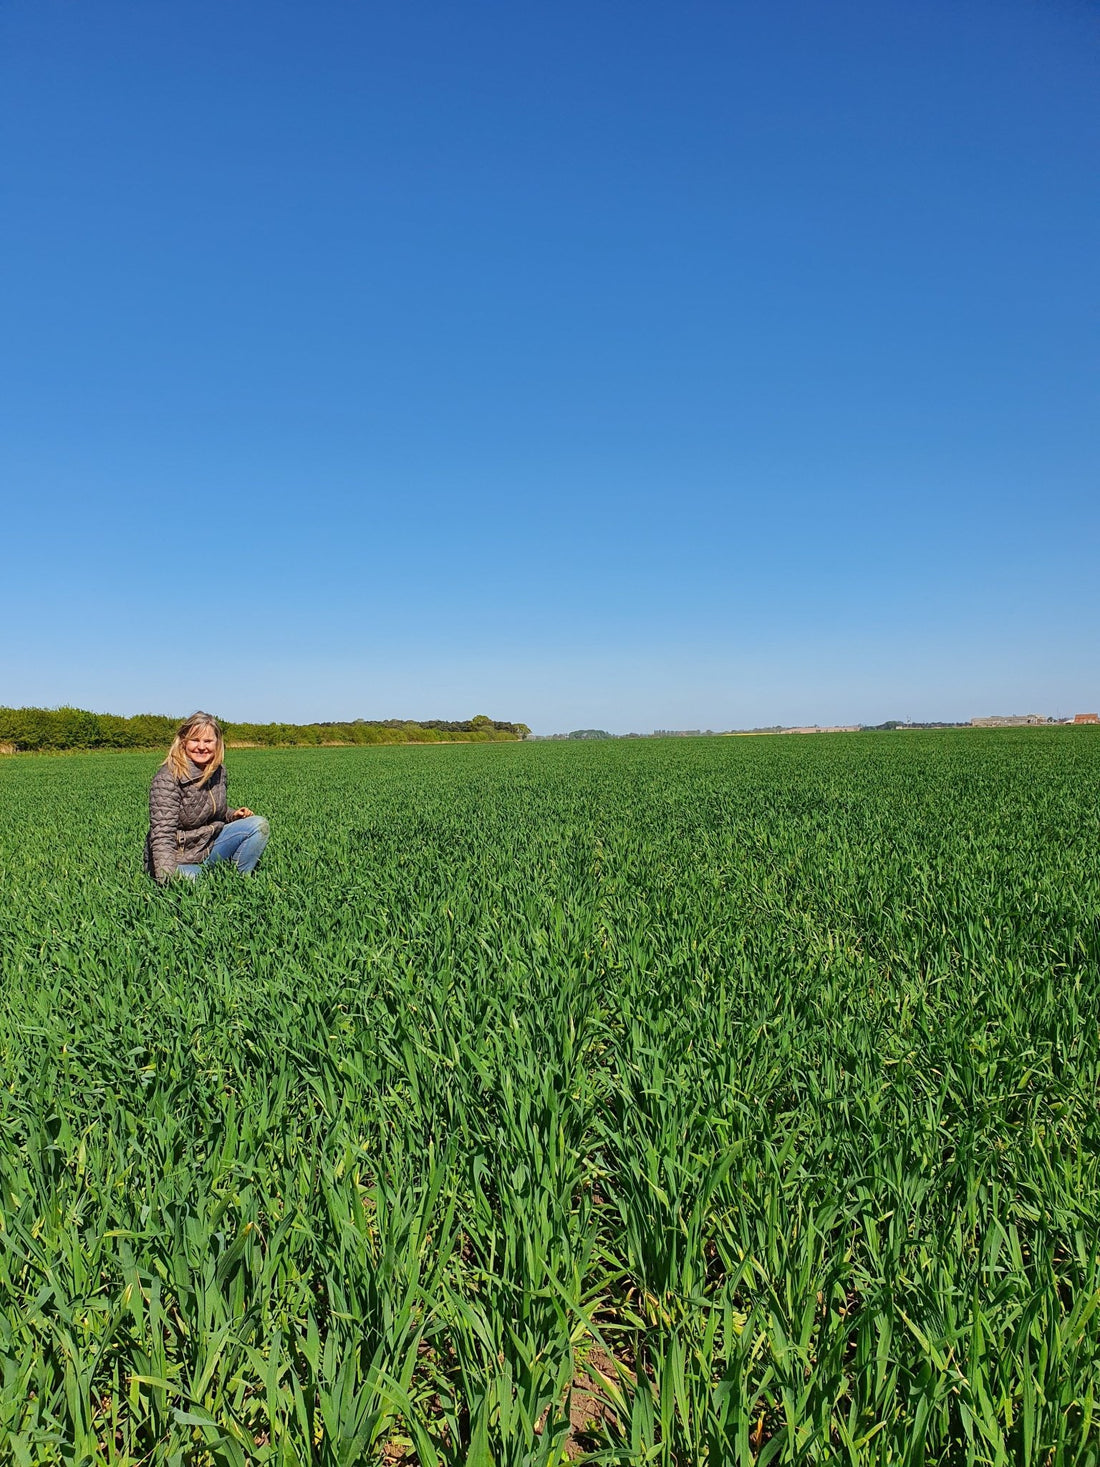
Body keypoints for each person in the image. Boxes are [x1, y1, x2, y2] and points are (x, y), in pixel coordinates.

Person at [145, 712, 270, 882]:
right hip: (180, 857)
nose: (202, 747)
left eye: (208, 741)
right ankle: (206, 878)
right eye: (195, 740)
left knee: (257, 825)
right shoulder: (168, 778)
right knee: (200, 885)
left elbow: (212, 810)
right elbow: (162, 834)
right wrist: (165, 878)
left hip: (210, 846)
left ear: (217, 743)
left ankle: (239, 882)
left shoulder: (218, 771)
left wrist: (233, 815)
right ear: (183, 741)